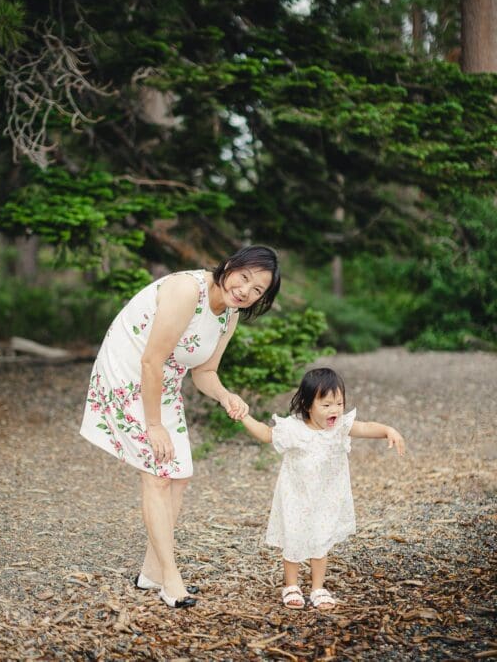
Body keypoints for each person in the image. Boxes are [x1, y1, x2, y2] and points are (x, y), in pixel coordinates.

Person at [80, 245, 281, 608]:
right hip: (129, 370)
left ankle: (151, 572)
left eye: (257, 291)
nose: (246, 291)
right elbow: (150, 359)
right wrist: (154, 425)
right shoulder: (188, 290)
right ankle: (171, 581)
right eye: (244, 277)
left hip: (164, 378)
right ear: (230, 265)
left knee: (179, 474)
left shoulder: (229, 316)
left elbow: (204, 372)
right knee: (157, 473)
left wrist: (225, 396)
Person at [238, 367, 406, 610]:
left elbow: (367, 426)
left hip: (326, 496)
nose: (335, 410)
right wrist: (243, 416)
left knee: (321, 537)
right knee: (294, 536)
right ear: (308, 405)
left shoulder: (340, 426)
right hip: (296, 494)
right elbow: (265, 434)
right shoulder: (294, 429)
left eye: (339, 403)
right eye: (326, 405)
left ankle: (318, 587)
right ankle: (292, 585)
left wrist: (388, 430)